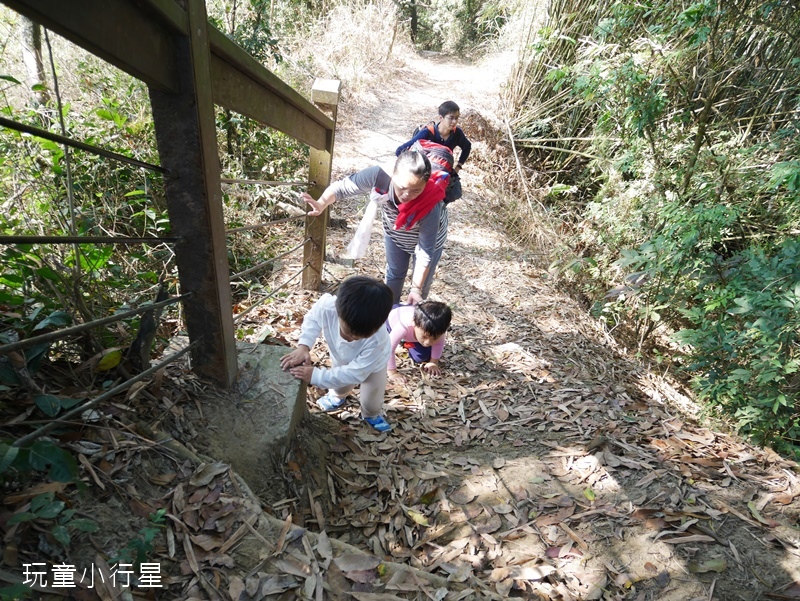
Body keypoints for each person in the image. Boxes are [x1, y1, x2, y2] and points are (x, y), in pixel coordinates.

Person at [300, 150, 448, 305]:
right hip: (395, 233)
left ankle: (413, 319)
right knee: (394, 274)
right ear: (393, 175)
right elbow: (343, 187)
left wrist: (415, 290)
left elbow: (425, 251)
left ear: (426, 183)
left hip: (429, 241)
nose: (407, 195)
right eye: (402, 187)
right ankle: (388, 314)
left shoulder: (432, 203)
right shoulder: (379, 175)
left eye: (416, 190)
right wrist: (322, 203)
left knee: (420, 287)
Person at [280, 275, 395, 432]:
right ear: (338, 310)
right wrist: (304, 346)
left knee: (371, 401)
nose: (352, 338)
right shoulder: (327, 307)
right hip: (341, 355)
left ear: (379, 325)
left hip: (374, 364)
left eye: (361, 336)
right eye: (348, 331)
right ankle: (337, 397)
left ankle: (371, 414)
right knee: (340, 386)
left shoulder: (378, 339)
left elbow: (356, 373)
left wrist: (316, 376)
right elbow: (312, 319)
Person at [395, 100, 472, 202]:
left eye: (457, 118)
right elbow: (400, 150)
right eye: (451, 118)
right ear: (441, 118)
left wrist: (458, 166)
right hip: (422, 174)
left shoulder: (457, 133)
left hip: (440, 176)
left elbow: (467, 147)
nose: (454, 122)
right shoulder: (427, 133)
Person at [386, 301, 452, 383]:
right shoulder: (403, 326)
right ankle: (401, 340)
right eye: (424, 337)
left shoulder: (439, 329)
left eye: (434, 338)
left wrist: (433, 362)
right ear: (414, 323)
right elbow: (388, 348)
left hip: (414, 327)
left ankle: (406, 342)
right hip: (392, 316)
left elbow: (439, 344)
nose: (427, 342)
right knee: (382, 339)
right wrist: (392, 372)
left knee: (421, 357)